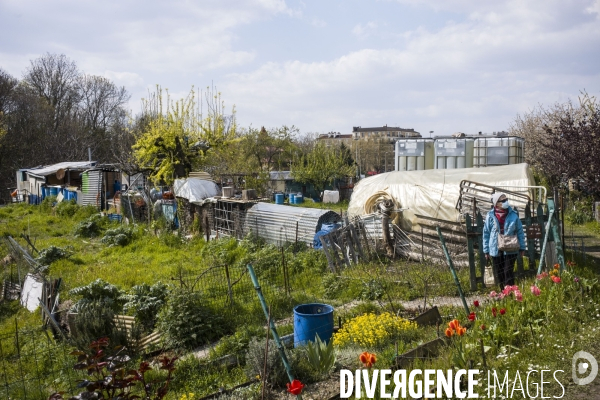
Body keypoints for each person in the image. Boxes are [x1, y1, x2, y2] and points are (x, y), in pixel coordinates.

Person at [482, 192, 526, 289]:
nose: (506, 202)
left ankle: (510, 294)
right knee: (499, 272)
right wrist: (486, 250)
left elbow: (520, 232)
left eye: (506, 200)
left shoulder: (513, 215)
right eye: (503, 200)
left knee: (508, 271)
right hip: (495, 248)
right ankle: (503, 293)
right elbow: (486, 233)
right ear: (496, 203)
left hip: (510, 248)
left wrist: (522, 247)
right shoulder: (490, 216)